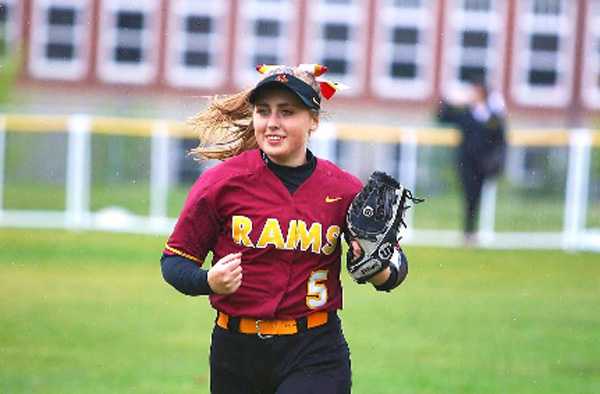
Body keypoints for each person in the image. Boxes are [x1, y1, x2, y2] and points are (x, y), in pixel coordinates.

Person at [160, 64, 409, 393]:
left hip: (315, 350)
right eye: (263, 111)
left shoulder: (344, 189)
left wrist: (376, 268)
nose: (273, 123)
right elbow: (174, 261)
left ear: (313, 121)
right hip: (235, 352)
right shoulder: (222, 182)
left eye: (287, 112)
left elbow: (395, 268)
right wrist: (207, 280)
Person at [436, 77, 507, 245]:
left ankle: (470, 231)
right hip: (466, 162)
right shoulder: (465, 112)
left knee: (476, 196)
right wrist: (447, 99)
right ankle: (469, 232)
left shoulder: (492, 115)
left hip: (483, 163)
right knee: (469, 195)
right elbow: (441, 118)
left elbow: (500, 138)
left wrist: (495, 159)